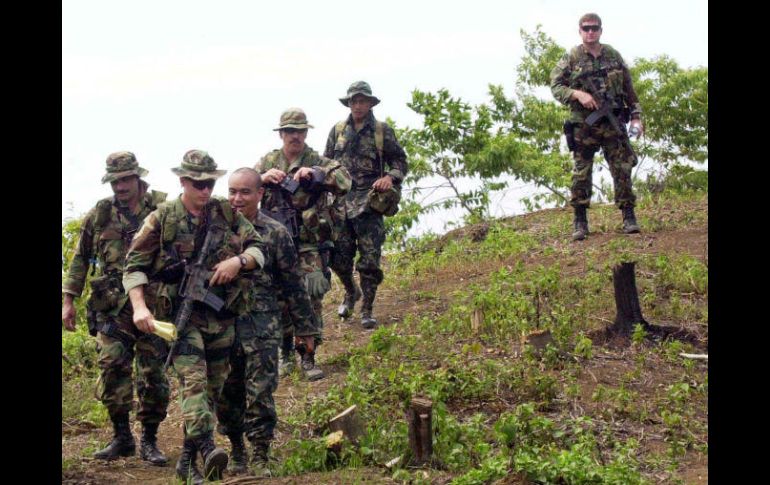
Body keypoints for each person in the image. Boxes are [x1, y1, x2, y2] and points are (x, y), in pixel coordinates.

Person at [122, 150, 266, 483]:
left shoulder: (225, 214)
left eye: (210, 183)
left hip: (219, 316)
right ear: (183, 181)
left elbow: (258, 247)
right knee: (194, 382)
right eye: (198, 184)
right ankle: (205, 447)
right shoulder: (163, 218)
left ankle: (187, 463)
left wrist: (238, 262)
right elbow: (133, 266)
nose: (205, 190)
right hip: (178, 319)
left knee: (211, 390)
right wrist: (140, 307)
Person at [62, 151, 170, 465]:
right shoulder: (101, 214)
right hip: (111, 306)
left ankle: (150, 439)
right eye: (115, 181)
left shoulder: (163, 208)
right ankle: (122, 436)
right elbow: (80, 259)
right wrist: (68, 300)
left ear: (138, 178)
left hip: (153, 303)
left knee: (152, 375)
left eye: (125, 179)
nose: (120, 186)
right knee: (111, 368)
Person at [216, 168, 320, 476]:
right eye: (232, 192)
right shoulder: (216, 230)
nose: (237, 199)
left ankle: (260, 453)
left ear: (260, 194)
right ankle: (236, 449)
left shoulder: (275, 232)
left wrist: (306, 329)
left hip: (263, 326)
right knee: (227, 391)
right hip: (223, 325)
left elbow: (294, 285)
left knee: (260, 391)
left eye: (245, 192)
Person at [256, 108, 351, 380]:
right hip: (277, 243)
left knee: (311, 296)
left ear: (306, 132)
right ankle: (285, 352)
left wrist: (317, 174)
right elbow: (243, 188)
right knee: (280, 299)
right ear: (281, 134)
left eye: (299, 131)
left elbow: (345, 180)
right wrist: (262, 179)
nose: (294, 136)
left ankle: (308, 355)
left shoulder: (316, 160)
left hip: (309, 242)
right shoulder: (267, 161)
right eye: (289, 131)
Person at [550, 12, 644, 241]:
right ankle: (580, 220)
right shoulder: (571, 57)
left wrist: (636, 116)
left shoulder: (613, 55)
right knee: (582, 171)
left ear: (601, 30)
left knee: (622, 168)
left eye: (594, 28)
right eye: (586, 28)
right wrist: (577, 94)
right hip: (584, 124)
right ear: (580, 31)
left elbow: (629, 88)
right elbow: (556, 85)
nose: (590, 32)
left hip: (613, 121)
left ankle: (628, 216)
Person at [325, 81, 408, 329]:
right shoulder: (337, 131)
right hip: (341, 206)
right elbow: (326, 164)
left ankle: (367, 309)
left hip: (370, 205)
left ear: (370, 103)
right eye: (354, 101)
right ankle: (351, 291)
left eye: (362, 101)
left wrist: (389, 177)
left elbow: (401, 162)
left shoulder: (382, 131)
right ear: (349, 103)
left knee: (370, 261)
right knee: (338, 258)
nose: (358, 105)